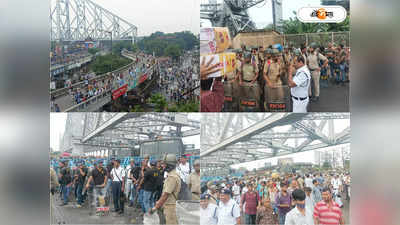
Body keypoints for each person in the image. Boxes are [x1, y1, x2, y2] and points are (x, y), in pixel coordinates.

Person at [150, 154, 181, 225]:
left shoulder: (172, 177)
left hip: (170, 207)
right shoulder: (173, 175)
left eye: (164, 164)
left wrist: (155, 207)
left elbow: (165, 195)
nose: (162, 165)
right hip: (170, 205)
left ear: (169, 165)